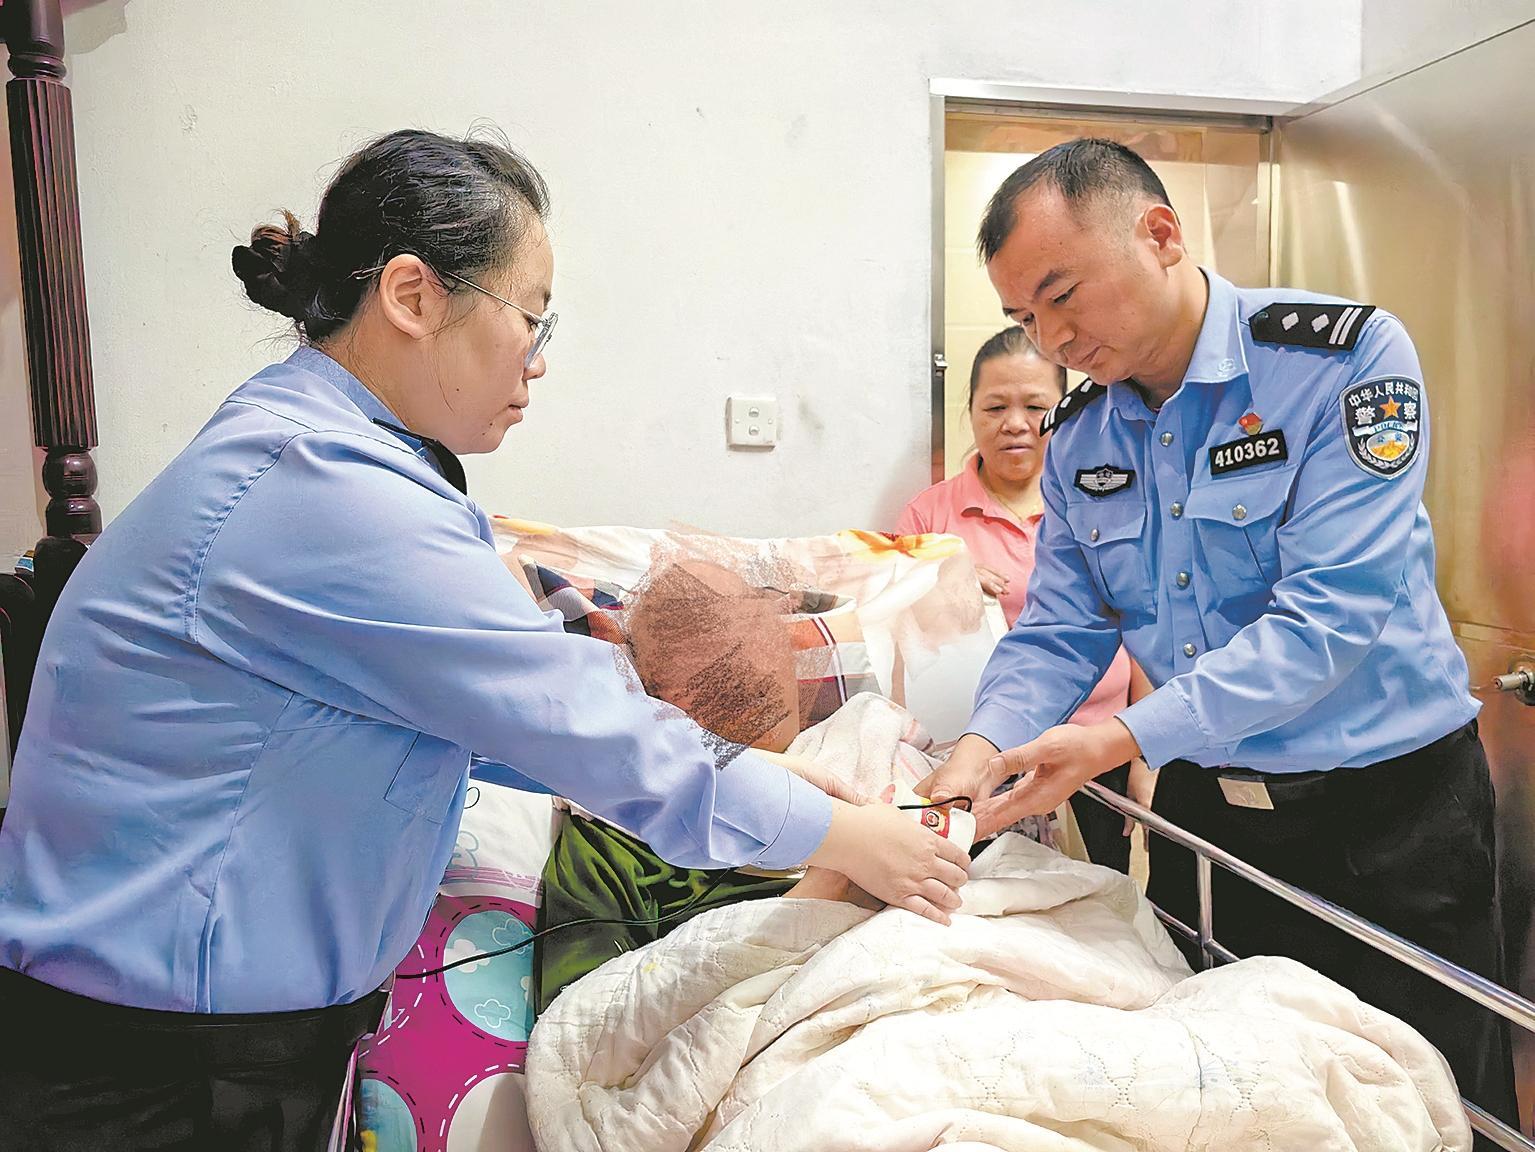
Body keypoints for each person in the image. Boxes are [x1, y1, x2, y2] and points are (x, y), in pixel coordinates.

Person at [0, 129, 968, 1152]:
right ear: (412, 296)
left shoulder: (324, 457)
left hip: (194, 1041)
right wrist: (847, 836)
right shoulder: (329, 493)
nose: (537, 362)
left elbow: (505, 721)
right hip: (158, 1071)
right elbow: (594, 732)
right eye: (531, 318)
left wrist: (776, 782)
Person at [919, 137, 1516, 1134]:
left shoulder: (1339, 363)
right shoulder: (1083, 435)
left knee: (1436, 1104)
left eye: (1062, 295)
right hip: (1215, 820)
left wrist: (1120, 739)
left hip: (1387, 816)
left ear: (1158, 235)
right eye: (1023, 317)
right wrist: (981, 747)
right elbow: (1061, 627)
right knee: (1237, 1102)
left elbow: (1327, 618)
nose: (1051, 338)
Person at [897, 328, 1153, 872]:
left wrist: (1144, 752)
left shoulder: (1103, 501)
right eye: (995, 407)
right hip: (979, 755)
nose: (1014, 423)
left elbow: (1145, 627)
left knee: (1093, 896)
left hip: (1097, 751)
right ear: (970, 411)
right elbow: (896, 632)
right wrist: (939, 582)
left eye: (1035, 406)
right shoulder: (929, 518)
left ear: (1064, 410)